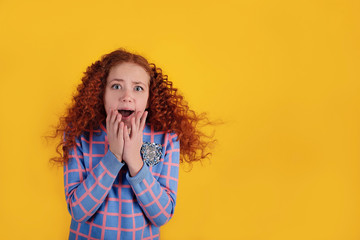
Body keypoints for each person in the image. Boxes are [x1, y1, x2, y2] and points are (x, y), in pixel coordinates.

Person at [50, 48, 214, 239]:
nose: (127, 96)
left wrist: (135, 161)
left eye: (138, 88)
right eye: (116, 86)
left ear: (149, 99)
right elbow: (78, 211)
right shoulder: (78, 133)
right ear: (101, 93)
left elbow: (162, 215)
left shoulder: (167, 137)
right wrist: (113, 157)